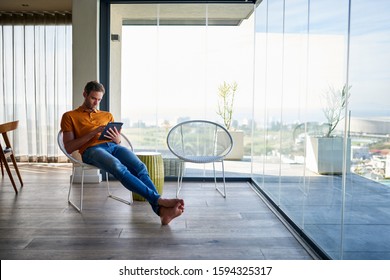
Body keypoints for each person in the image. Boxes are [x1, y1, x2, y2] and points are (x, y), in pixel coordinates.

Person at [60, 80, 184, 225]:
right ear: (84, 94)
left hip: (113, 147)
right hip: (91, 151)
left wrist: (117, 139)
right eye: (93, 98)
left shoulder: (107, 115)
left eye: (99, 99)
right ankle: (159, 201)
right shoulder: (70, 116)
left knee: (140, 167)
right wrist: (93, 133)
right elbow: (69, 147)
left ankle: (162, 211)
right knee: (118, 167)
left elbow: (116, 140)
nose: (96, 103)